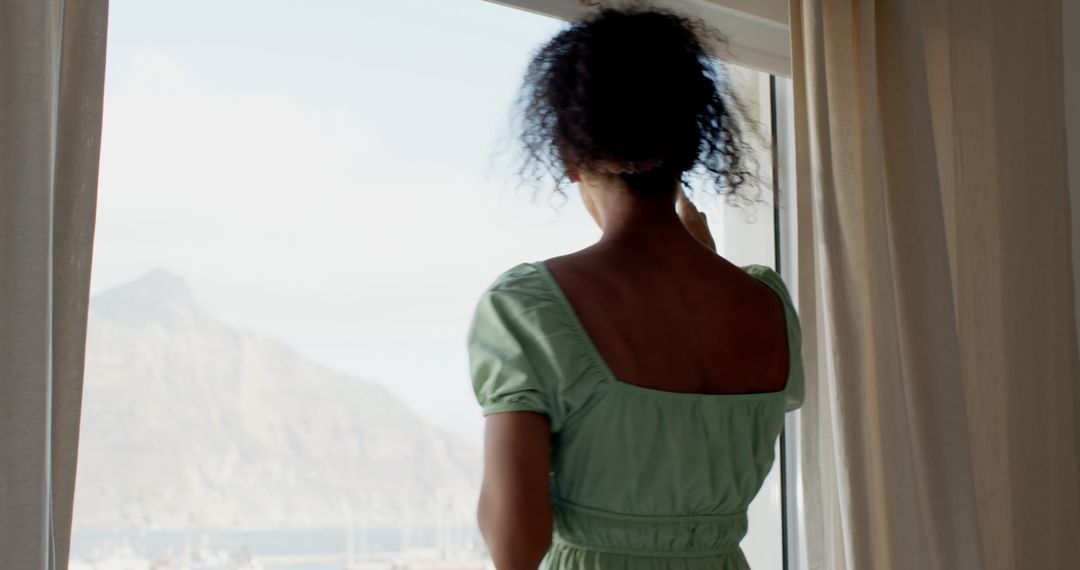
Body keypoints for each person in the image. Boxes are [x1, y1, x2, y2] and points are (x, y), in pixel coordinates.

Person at [466, 7, 804, 570]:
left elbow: (515, 545)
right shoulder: (765, 305)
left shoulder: (527, 308)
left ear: (572, 154)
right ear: (689, 145)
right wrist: (708, 262)